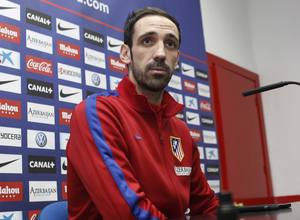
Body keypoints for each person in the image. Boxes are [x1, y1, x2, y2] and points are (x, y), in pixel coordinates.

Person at [67, 6, 219, 220]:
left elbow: (206, 206)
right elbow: (128, 214)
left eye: (170, 44)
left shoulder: (180, 130)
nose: (160, 53)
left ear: (177, 58)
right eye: (147, 41)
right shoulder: (97, 113)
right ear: (125, 53)